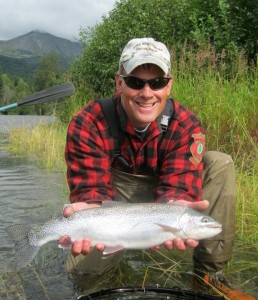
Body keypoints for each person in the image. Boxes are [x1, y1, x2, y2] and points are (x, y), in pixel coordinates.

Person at [60, 38, 254, 299]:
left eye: (157, 82)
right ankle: (93, 275)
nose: (147, 93)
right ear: (119, 82)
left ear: (169, 85)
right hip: (111, 205)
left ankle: (209, 275)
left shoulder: (184, 124)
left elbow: (179, 188)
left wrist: (178, 206)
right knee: (85, 276)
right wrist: (89, 210)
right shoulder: (89, 122)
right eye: (136, 82)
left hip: (162, 203)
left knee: (219, 162)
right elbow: (91, 192)